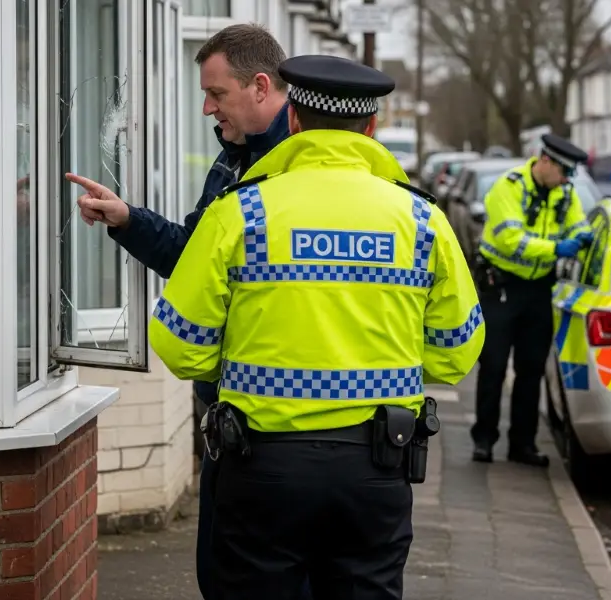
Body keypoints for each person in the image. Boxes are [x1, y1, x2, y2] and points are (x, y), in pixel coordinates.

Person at [148, 54, 485, 600]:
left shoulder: (241, 213)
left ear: (296, 122)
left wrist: (236, 362)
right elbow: (457, 350)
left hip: (262, 466)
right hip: (376, 465)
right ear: (371, 127)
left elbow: (178, 340)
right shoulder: (423, 220)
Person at [64, 24, 297, 600]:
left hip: (282, 430)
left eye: (216, 94)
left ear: (261, 86)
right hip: (234, 420)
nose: (205, 108)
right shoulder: (234, 161)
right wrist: (127, 219)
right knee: (222, 576)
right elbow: (194, 256)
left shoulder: (299, 171)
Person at [470, 133, 593, 467]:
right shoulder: (507, 188)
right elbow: (512, 241)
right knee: (493, 366)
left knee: (532, 369)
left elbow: (576, 222)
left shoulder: (562, 192)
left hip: (539, 289)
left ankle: (522, 445)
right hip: (502, 287)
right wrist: (557, 248)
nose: (567, 180)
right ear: (545, 161)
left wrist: (582, 234)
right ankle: (484, 440)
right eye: (564, 172)